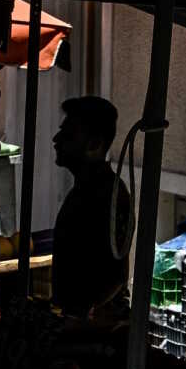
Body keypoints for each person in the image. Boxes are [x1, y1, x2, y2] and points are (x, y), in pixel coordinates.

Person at [49, 96, 136, 316]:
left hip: (96, 333)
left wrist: (80, 315)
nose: (56, 139)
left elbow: (116, 273)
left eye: (68, 134)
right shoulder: (85, 189)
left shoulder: (108, 194)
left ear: (94, 144)